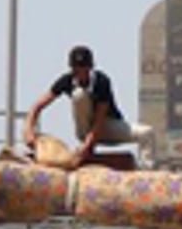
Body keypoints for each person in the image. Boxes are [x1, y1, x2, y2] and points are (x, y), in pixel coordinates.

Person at [22, 45, 151, 165]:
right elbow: (37, 106)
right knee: (79, 95)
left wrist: (88, 146)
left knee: (147, 133)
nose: (79, 71)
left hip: (106, 125)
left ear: (90, 67)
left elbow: (99, 120)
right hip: (84, 129)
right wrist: (28, 130)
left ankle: (147, 171)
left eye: (83, 67)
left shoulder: (101, 82)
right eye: (76, 68)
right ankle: (85, 143)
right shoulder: (67, 81)